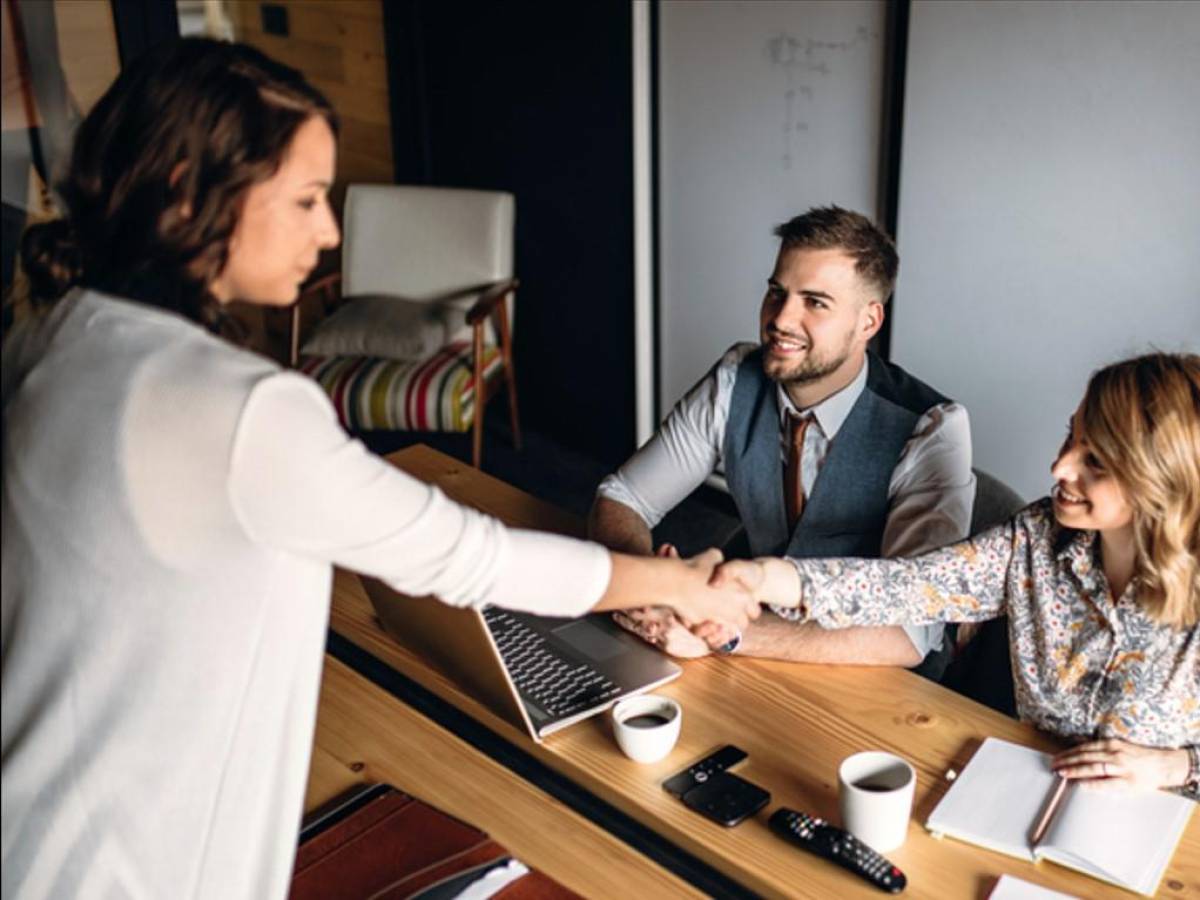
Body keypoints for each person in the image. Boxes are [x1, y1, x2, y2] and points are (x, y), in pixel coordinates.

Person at [0, 39, 758, 900]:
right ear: (186, 188)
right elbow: (473, 559)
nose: (329, 233)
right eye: (308, 199)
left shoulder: (48, 338)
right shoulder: (242, 409)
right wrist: (689, 588)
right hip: (134, 867)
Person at [711, 353, 1200, 797]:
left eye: (1094, 460)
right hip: (1031, 790)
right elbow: (906, 586)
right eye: (1071, 435)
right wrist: (761, 579)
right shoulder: (1036, 538)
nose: (1060, 466)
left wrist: (1175, 767)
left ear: (1157, 479)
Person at [590, 206, 975, 678]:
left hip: (872, 675)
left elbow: (906, 636)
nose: (781, 319)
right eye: (777, 293)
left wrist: (722, 635)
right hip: (747, 645)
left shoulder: (933, 428)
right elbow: (624, 497)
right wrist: (656, 589)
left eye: (815, 302)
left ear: (868, 321)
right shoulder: (735, 378)